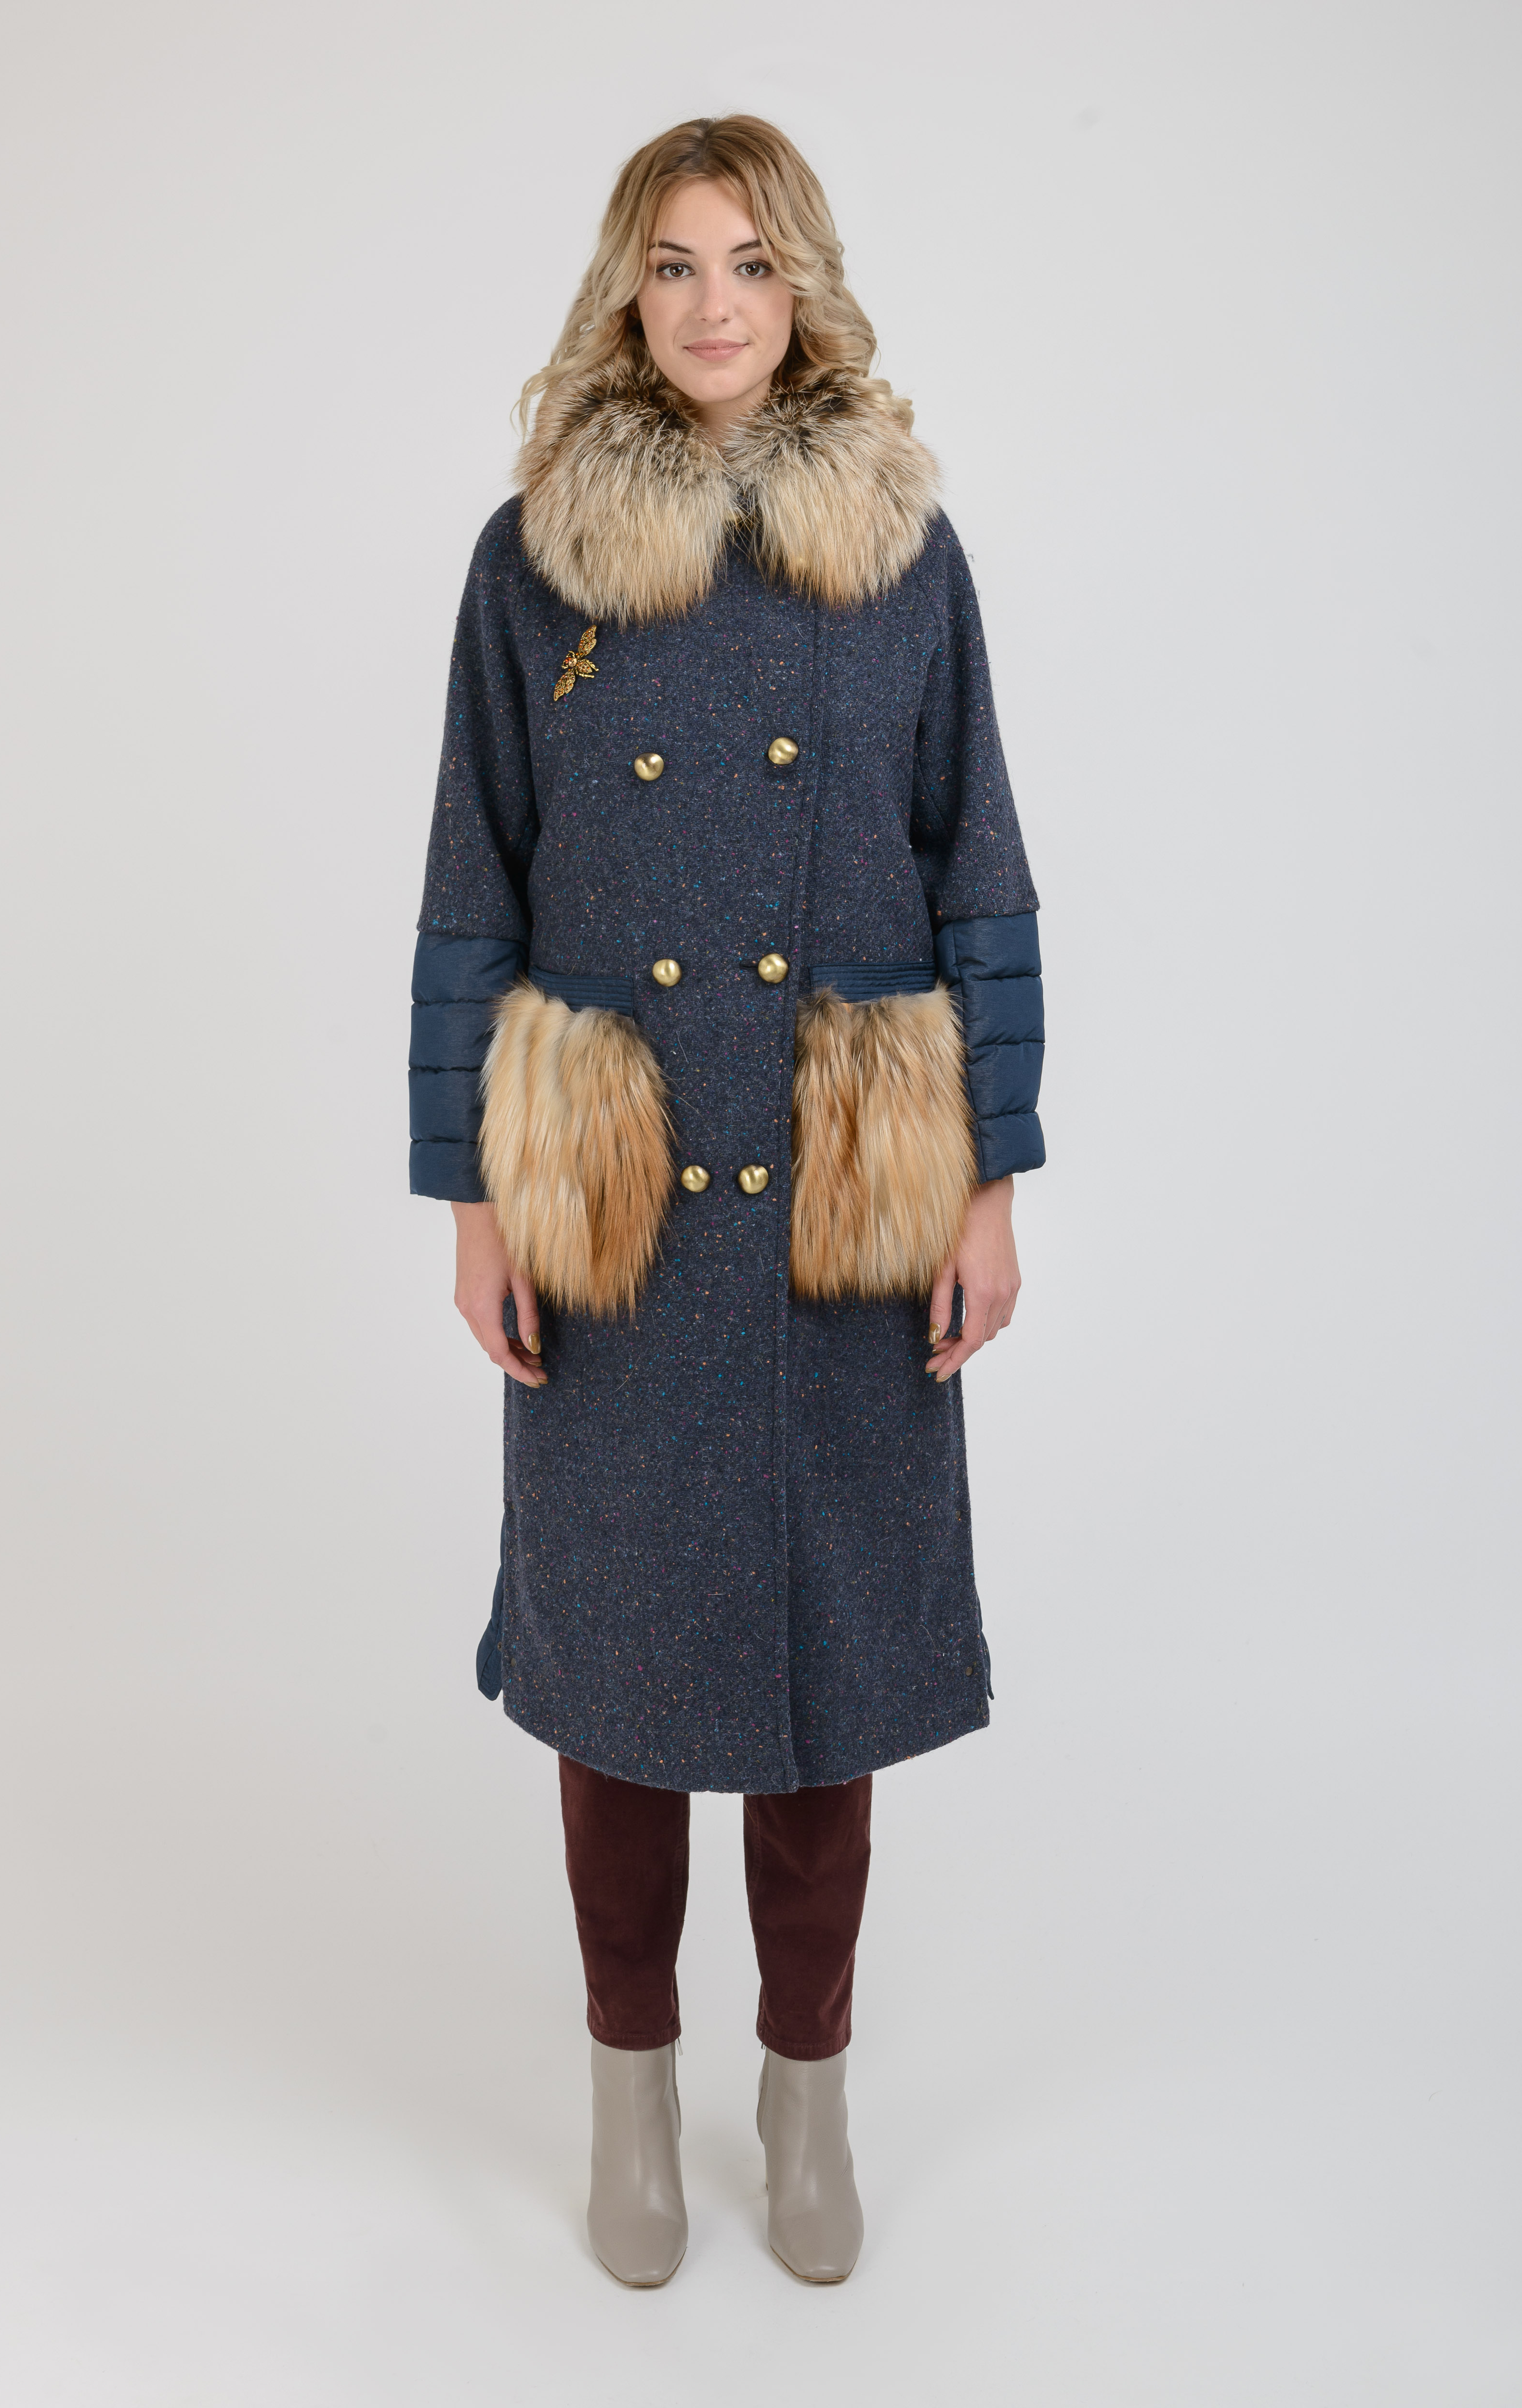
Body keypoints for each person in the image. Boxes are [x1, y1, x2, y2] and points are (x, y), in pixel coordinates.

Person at [407, 114, 1044, 2286]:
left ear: (804, 292)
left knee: (821, 1662)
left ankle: (806, 2087)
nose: (712, 304)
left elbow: (981, 869)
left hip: (845, 1196)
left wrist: (993, 1182)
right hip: (614, 1201)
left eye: (750, 263)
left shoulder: (905, 555)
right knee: (617, 1677)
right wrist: (472, 1199)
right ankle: (627, 2094)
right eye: (675, 264)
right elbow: (470, 888)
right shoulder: (534, 562)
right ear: (627, 287)